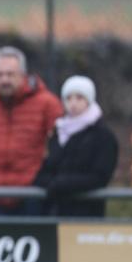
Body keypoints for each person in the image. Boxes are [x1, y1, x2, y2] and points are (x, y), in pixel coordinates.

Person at [0, 46, 62, 216]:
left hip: (32, 198)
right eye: (0, 74)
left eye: (10, 74)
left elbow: (61, 146)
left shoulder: (47, 105)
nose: (5, 80)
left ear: (23, 75)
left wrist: (44, 181)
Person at [33, 76, 118, 217]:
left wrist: (61, 184)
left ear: (89, 100)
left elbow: (100, 177)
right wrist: (50, 183)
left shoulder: (103, 136)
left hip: (85, 216)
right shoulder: (58, 131)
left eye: (79, 98)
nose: (73, 103)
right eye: (68, 98)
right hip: (55, 212)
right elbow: (46, 169)